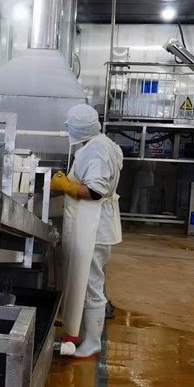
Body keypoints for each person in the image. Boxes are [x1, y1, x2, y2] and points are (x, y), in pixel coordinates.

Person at [50, 103, 123, 359]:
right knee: (87, 282)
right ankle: (83, 335)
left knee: (92, 285)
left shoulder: (97, 150)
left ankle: (93, 342)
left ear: (79, 128)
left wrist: (66, 187)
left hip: (94, 228)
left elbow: (94, 191)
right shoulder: (102, 144)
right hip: (92, 226)